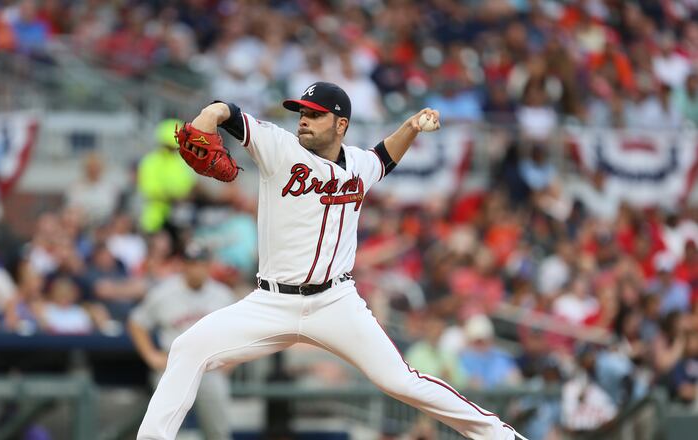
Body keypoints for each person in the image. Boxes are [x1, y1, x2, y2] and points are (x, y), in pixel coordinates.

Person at [137, 82, 520, 439]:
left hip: (335, 302)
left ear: (341, 124)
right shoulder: (278, 147)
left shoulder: (359, 164)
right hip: (272, 302)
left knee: (400, 381)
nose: (304, 119)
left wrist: (411, 127)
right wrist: (210, 114)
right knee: (187, 348)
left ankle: (501, 436)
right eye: (302, 112)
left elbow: (384, 156)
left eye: (315, 114)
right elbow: (231, 113)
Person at [129, 244, 234, 440]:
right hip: (173, 367)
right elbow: (137, 322)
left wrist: (233, 360)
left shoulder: (222, 295)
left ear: (208, 266)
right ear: (183, 265)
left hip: (209, 368)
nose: (196, 269)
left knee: (218, 433)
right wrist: (151, 355)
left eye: (201, 264)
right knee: (162, 432)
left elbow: (238, 330)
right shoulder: (163, 292)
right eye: (191, 264)